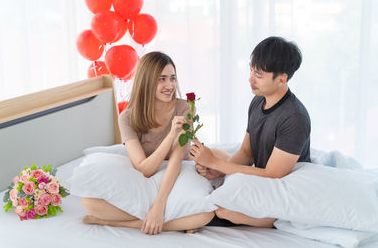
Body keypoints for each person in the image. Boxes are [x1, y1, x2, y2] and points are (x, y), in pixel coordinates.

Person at [80, 51, 214, 235]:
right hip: (148, 171)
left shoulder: (184, 108)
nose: (170, 85)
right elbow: (145, 169)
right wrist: (170, 135)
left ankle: (121, 223)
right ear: (147, 81)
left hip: (177, 172)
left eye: (173, 78)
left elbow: (176, 160)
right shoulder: (127, 117)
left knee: (205, 215)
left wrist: (158, 208)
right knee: (89, 201)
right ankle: (169, 223)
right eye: (162, 79)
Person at [190, 36, 311, 228]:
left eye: (259, 75)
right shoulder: (258, 100)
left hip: (283, 186)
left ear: (282, 79)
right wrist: (219, 169)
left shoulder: (295, 118)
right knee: (211, 167)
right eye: (251, 70)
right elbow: (246, 153)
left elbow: (272, 175)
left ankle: (276, 220)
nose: (250, 79)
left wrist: (216, 163)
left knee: (221, 210)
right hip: (261, 176)